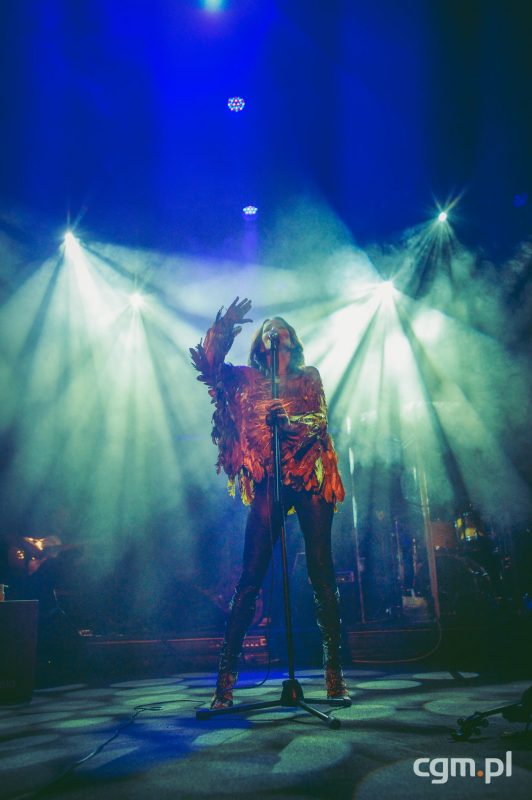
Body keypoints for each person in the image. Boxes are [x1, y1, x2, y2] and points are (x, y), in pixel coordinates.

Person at [190, 297, 348, 708]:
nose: (274, 331)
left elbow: (319, 419)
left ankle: (334, 674)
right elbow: (209, 367)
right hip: (269, 477)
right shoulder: (246, 379)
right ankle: (225, 682)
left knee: (321, 569)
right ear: (260, 343)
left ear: (291, 340)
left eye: (281, 328)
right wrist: (224, 327)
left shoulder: (308, 377)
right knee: (250, 575)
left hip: (309, 472)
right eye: (267, 330)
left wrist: (289, 423)